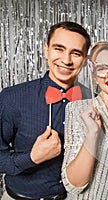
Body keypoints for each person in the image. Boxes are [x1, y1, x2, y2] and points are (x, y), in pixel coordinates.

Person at [0, 21, 91, 199]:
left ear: (85, 60)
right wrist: (32, 157)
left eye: (76, 53)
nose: (66, 60)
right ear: (46, 50)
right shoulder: (12, 97)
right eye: (59, 49)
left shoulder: (93, 101)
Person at [61, 41, 108, 200]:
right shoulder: (78, 109)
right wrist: (93, 133)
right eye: (102, 69)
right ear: (94, 76)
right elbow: (73, 183)